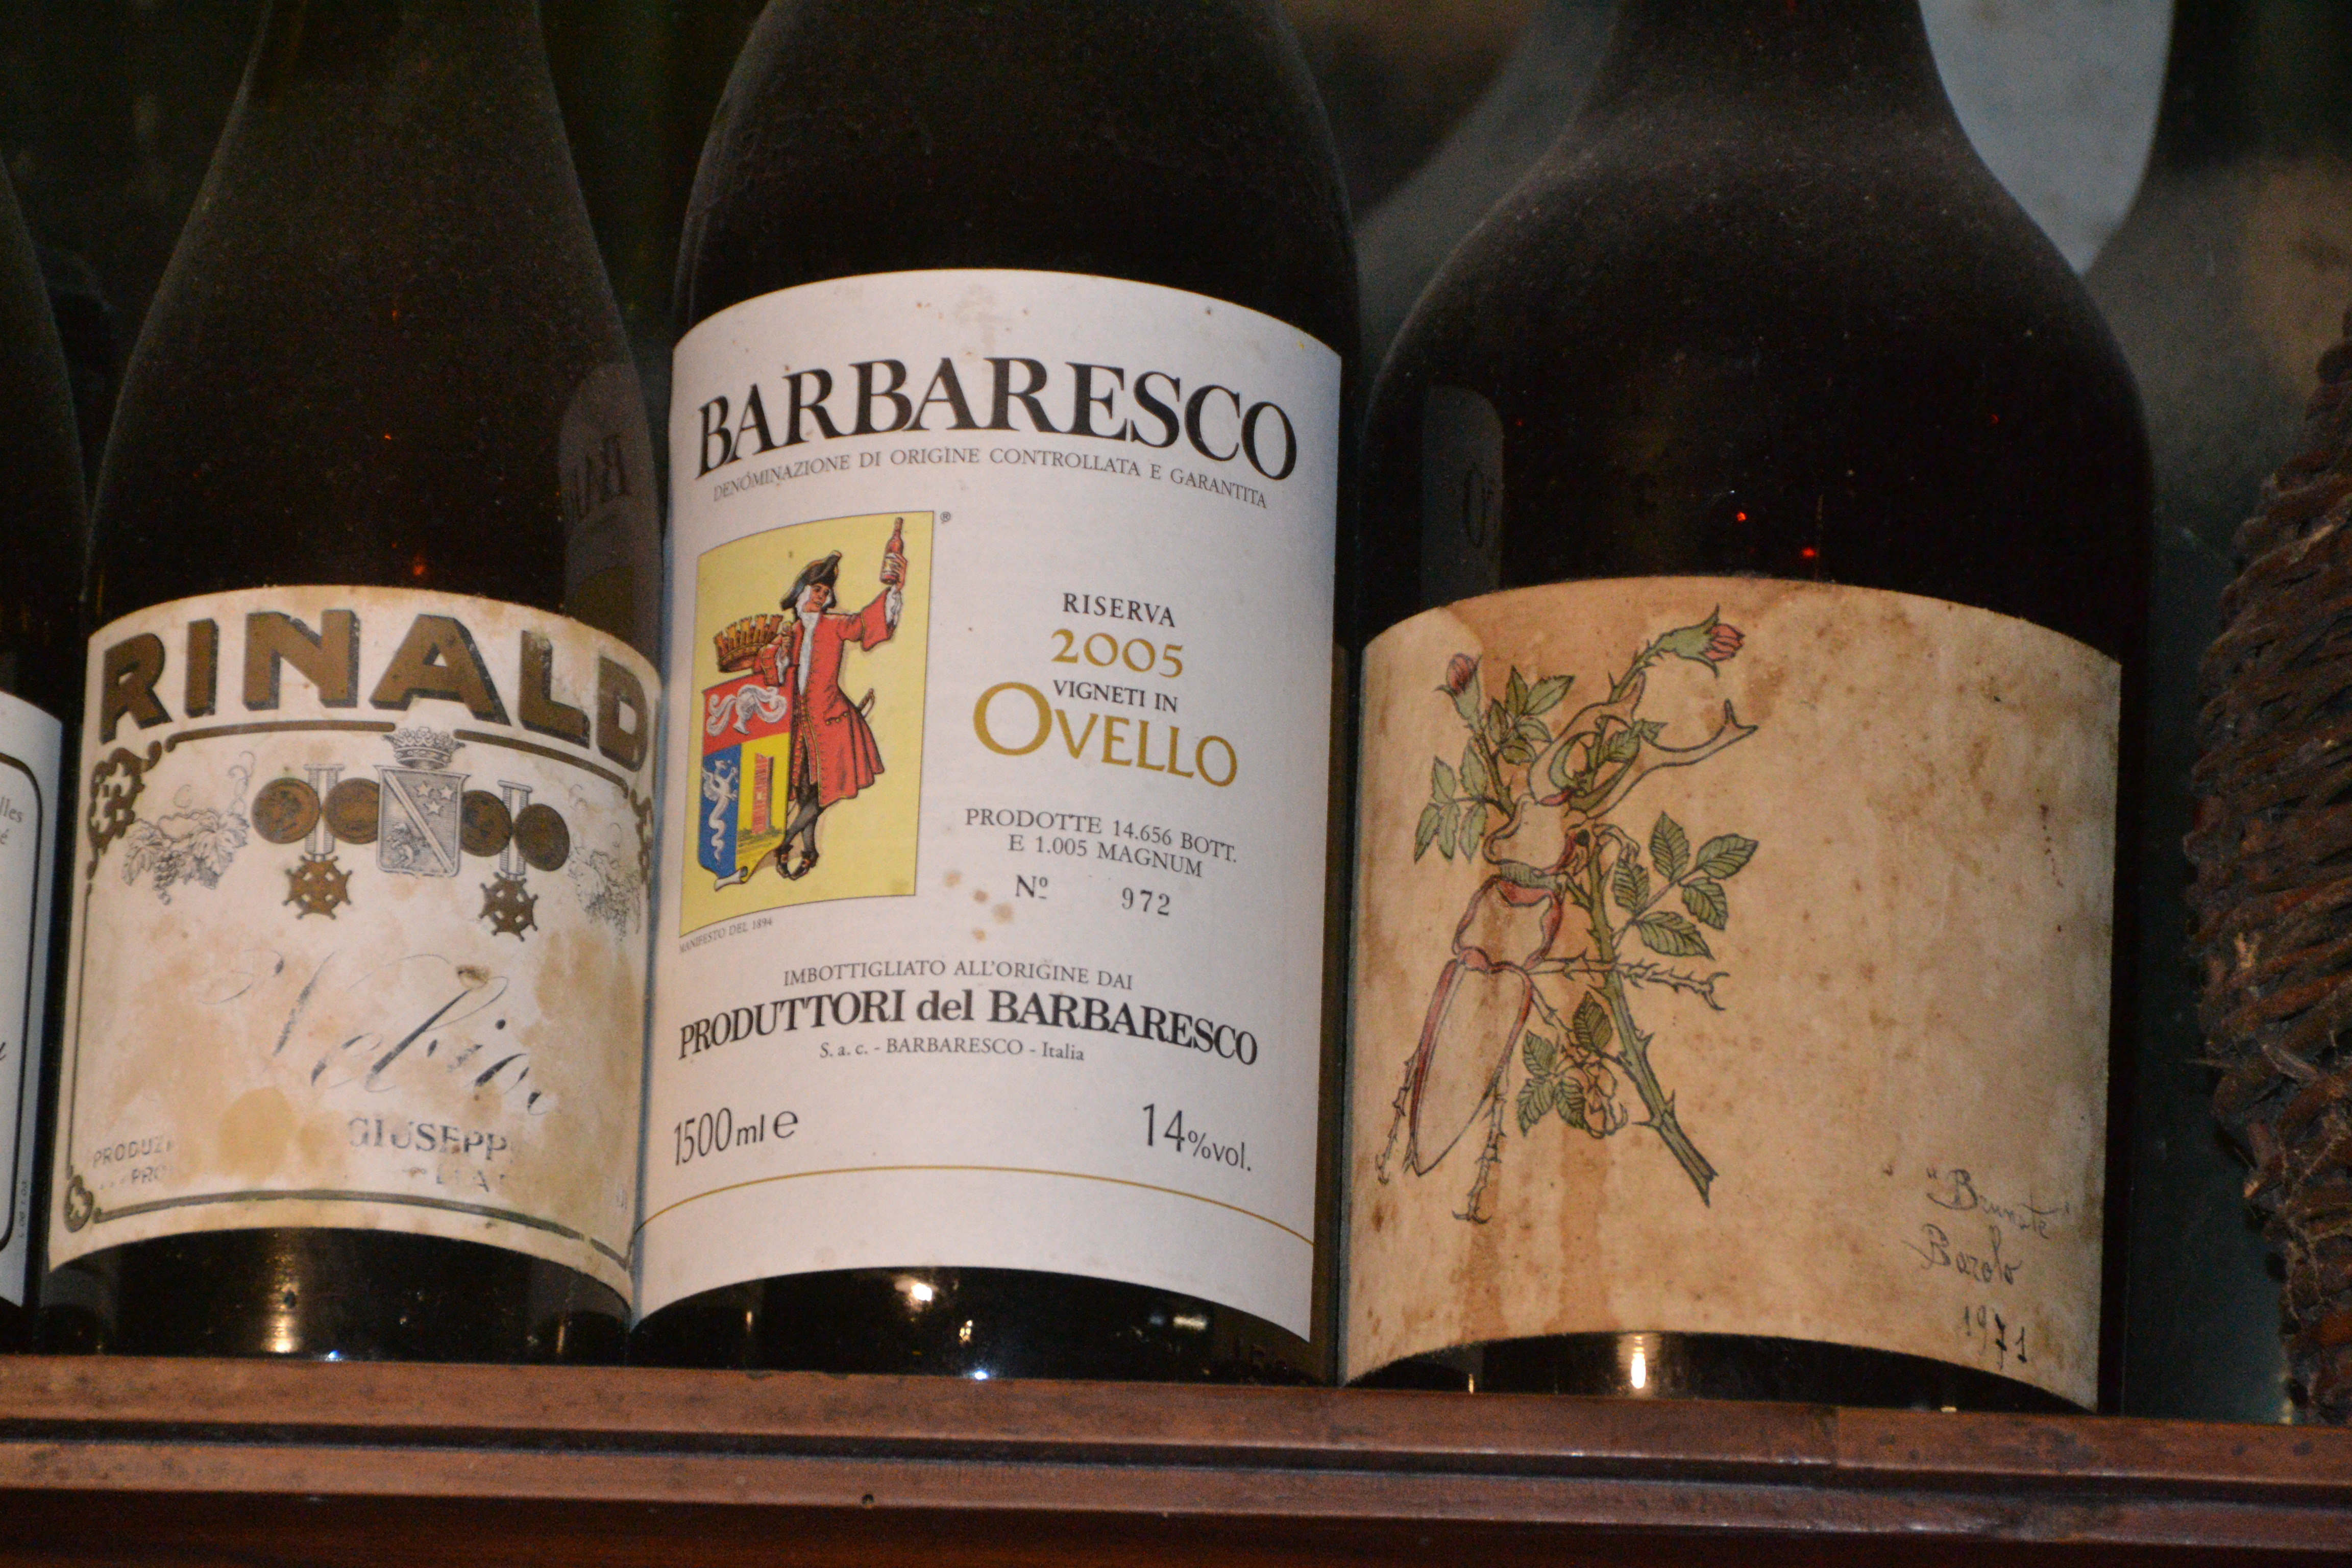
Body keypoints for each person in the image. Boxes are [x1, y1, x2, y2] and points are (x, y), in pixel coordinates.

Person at [721, 536, 905, 884]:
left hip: (834, 723)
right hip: (801, 727)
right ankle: (809, 851)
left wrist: (894, 591)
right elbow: (769, 674)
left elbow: (865, 624)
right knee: (807, 791)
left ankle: (785, 840)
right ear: (802, 593)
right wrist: (774, 656)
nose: (821, 596)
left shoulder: (835, 625)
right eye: (816, 589)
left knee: (825, 791)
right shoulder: (789, 634)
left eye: (826, 591)